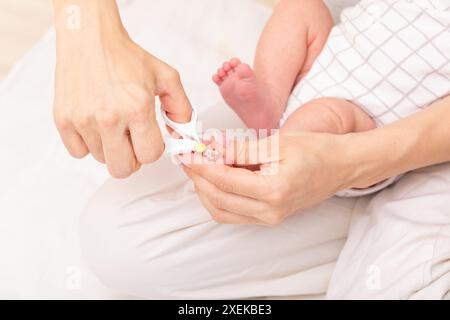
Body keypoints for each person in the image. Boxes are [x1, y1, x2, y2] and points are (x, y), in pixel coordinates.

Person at [53, 0, 450, 298]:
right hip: (332, 59)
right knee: (114, 239)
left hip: (372, 117)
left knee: (328, 117)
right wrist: (89, 40)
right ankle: (270, 108)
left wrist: (351, 161)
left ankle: (294, 161)